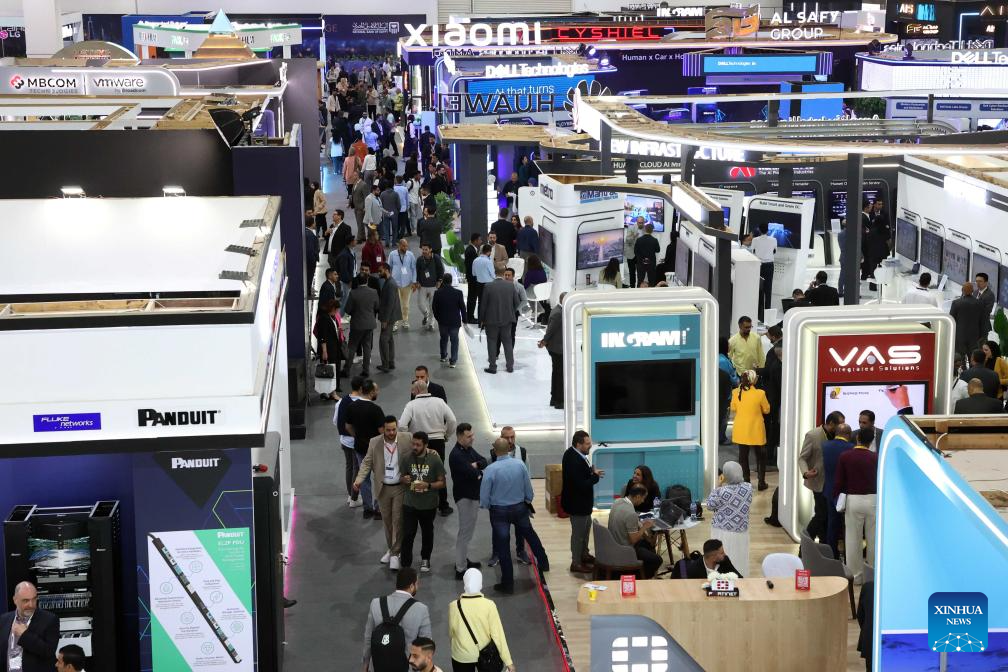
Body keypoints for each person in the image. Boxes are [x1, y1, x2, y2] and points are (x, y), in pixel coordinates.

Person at [479, 438, 550, 594]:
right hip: (519, 508)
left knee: (503, 546)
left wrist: (487, 505)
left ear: (494, 451)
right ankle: (544, 562)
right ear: (509, 449)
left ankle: (508, 583)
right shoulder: (519, 465)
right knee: (530, 535)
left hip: (499, 512)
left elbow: (484, 495)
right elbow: (528, 488)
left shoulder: (490, 469)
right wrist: (527, 500)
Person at [356, 415, 413, 569]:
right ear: (383, 430)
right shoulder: (374, 442)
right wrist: (359, 480)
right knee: (387, 522)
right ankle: (392, 549)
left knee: (397, 521)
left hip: (400, 487)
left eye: (394, 429)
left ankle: (395, 553)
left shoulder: (407, 438)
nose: (391, 433)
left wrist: (431, 452)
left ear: (397, 427)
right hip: (383, 488)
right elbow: (367, 462)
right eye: (388, 430)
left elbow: (419, 449)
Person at [400, 380, 457, 516]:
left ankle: (417, 500)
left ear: (417, 391)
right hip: (438, 441)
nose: (412, 392)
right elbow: (452, 420)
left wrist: (411, 438)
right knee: (439, 472)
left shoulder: (411, 405)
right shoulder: (439, 402)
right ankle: (443, 506)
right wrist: (446, 435)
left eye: (412, 390)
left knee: (417, 471)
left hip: (419, 442)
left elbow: (402, 425)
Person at [363, 568, 432, 672]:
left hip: (378, 666)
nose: (418, 587)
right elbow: (426, 646)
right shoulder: (421, 609)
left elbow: (368, 639)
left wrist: (366, 664)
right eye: (417, 584)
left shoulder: (376, 603)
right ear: (412, 586)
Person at [448, 569, 515, 672]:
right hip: (485, 654)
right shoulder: (489, 605)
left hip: (461, 655)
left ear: (465, 583)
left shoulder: (454, 606)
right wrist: (508, 661)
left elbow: (451, 633)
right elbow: (498, 635)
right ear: (480, 584)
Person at [835, 427, 879, 584]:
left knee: (853, 539)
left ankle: (855, 576)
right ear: (871, 441)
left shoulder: (845, 456)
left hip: (853, 500)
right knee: (873, 539)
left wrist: (836, 498)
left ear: (857, 438)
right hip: (874, 500)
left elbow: (839, 482)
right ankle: (872, 576)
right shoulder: (876, 458)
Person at [400, 432, 447, 572]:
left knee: (427, 532)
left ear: (426, 445)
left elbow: (442, 482)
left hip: (428, 504)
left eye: (418, 445)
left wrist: (428, 485)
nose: (414, 447)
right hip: (410, 503)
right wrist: (404, 479)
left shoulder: (434, 459)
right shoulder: (406, 458)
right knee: (408, 534)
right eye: (413, 444)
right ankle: (405, 564)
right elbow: (401, 477)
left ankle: (425, 558)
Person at [799, 410, 845, 543]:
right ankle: (805, 544)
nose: (842, 427)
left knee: (828, 516)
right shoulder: (813, 435)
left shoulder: (840, 436)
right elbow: (802, 458)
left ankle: (823, 545)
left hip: (834, 483)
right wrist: (805, 473)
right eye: (840, 424)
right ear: (831, 423)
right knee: (821, 514)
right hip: (819, 482)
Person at [449, 424, 488, 579]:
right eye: (469, 436)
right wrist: (478, 471)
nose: (472, 438)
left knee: (468, 531)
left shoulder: (468, 449)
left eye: (472, 435)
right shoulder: (456, 455)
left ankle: (463, 560)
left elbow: (484, 461)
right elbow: (476, 475)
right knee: (465, 533)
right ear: (459, 437)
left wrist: (476, 465)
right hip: (465, 497)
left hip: (472, 495)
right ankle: (460, 568)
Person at [562, 430, 603, 573]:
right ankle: (576, 563)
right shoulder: (574, 460)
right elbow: (581, 484)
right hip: (577, 505)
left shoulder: (574, 454)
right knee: (578, 535)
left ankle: (584, 555)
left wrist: (590, 472)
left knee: (585, 532)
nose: (590, 446)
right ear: (578, 444)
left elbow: (580, 476)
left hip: (582, 504)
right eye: (587, 444)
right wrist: (595, 476)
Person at [704, 462, 753, 577]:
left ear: (726, 475)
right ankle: (740, 576)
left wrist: (718, 485)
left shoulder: (721, 491)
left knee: (721, 558)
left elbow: (710, 505)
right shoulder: (748, 487)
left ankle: (720, 578)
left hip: (723, 531)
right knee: (740, 555)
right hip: (741, 530)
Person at [346, 379, 386, 519]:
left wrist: (357, 436)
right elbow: (382, 431)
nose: (378, 392)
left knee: (364, 478)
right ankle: (378, 509)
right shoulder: (376, 410)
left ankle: (367, 509)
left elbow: (348, 426)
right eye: (377, 390)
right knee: (379, 478)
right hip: (376, 450)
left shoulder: (351, 407)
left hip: (360, 448)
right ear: (371, 392)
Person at [0, 581, 59, 672]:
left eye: (34, 599)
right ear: (15, 600)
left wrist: (25, 635)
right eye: (25, 600)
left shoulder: (50, 619)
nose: (31, 605)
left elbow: (48, 652)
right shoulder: (4, 619)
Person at [608, 484, 662, 578]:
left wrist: (638, 523)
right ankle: (638, 577)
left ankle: (638, 569)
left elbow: (626, 520)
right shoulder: (631, 513)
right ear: (637, 497)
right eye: (643, 498)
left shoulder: (617, 501)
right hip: (625, 548)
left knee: (648, 544)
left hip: (614, 543)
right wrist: (644, 527)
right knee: (657, 560)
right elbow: (633, 540)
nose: (643, 501)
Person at [730, 370, 771, 489]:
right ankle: (761, 482)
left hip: (741, 429)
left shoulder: (735, 392)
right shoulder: (760, 393)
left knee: (743, 456)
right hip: (756, 429)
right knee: (760, 456)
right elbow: (767, 410)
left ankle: (746, 481)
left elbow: (733, 408)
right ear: (754, 380)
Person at [821, 423, 853, 559]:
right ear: (848, 434)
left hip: (829, 490)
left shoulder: (825, 446)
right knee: (848, 526)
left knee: (832, 524)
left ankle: (832, 554)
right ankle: (848, 556)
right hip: (846, 493)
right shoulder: (851, 448)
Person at [480, 268, 521, 374]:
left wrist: (482, 320)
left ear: (494, 274)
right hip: (507, 320)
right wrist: (510, 311)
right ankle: (510, 366)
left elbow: (483, 305)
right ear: (503, 274)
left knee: (492, 342)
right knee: (507, 342)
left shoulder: (488, 286)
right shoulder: (511, 286)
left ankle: (492, 367)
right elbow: (517, 303)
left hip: (491, 320)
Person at [343, 275, 380, 377]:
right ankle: (366, 370)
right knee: (367, 347)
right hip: (370, 324)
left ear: (358, 282)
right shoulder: (374, 292)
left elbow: (347, 310)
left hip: (357, 325)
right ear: (367, 281)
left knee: (352, 347)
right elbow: (377, 306)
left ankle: (347, 370)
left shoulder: (353, 293)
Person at [433, 274, 466, 367]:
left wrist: (438, 318)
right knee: (454, 341)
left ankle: (443, 356)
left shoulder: (438, 293)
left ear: (443, 281)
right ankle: (453, 361)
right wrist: (465, 320)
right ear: (451, 281)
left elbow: (434, 308)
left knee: (443, 339)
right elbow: (463, 308)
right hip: (454, 322)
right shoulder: (458, 293)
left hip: (442, 321)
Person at [315, 299, 345, 398]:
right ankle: (332, 392)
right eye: (337, 309)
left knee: (333, 369)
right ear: (333, 308)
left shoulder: (331, 317)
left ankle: (330, 391)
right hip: (329, 349)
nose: (337, 311)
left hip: (334, 348)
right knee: (331, 370)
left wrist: (337, 329)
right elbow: (322, 336)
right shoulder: (324, 319)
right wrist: (324, 351)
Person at [951, 281, 987, 359]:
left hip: (959, 336)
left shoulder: (956, 303)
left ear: (962, 290)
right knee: (974, 358)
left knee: (960, 359)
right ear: (972, 291)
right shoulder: (979, 303)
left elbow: (952, 320)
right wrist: (982, 336)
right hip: (975, 337)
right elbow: (983, 321)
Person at [676, 539, 744, 579]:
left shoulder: (725, 560)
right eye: (722, 553)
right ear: (713, 557)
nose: (724, 554)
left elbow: (740, 578)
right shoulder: (694, 570)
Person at [376, 263, 401, 374]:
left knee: (383, 340)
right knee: (389, 339)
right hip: (391, 316)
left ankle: (385, 364)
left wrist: (385, 320)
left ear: (386, 270)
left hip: (389, 317)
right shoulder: (389, 282)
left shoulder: (390, 284)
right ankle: (390, 362)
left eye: (380, 271)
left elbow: (390, 303)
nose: (379, 273)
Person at [416, 244, 445, 332]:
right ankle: (426, 314)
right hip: (422, 286)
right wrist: (417, 281)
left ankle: (431, 323)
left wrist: (439, 281)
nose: (424, 251)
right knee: (420, 304)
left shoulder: (436, 258)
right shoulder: (420, 259)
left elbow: (441, 270)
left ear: (430, 249)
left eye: (426, 249)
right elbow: (417, 271)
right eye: (423, 249)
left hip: (433, 286)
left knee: (432, 306)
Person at [390, 239, 417, 331]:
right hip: (395, 284)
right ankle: (395, 322)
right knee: (396, 304)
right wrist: (389, 281)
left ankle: (405, 320)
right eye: (404, 246)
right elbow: (389, 267)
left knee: (405, 305)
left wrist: (414, 282)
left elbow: (414, 269)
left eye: (406, 246)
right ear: (399, 245)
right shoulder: (392, 254)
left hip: (407, 284)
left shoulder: (410, 255)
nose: (406, 248)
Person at [751, 226, 777, 311]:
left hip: (758, 265)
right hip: (769, 265)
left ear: (759, 230)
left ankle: (757, 309)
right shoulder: (774, 240)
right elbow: (774, 251)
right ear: (767, 230)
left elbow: (752, 251)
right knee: (768, 288)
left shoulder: (755, 240)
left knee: (758, 287)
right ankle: (767, 310)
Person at [634, 223, 661, 288]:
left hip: (640, 263)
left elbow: (635, 251)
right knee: (652, 281)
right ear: (652, 230)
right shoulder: (654, 240)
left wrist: (641, 257)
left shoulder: (639, 240)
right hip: (651, 263)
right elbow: (658, 250)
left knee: (640, 281)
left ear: (645, 229)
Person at [464, 234, 483, 323]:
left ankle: (470, 316)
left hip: (472, 278)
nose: (481, 241)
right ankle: (470, 317)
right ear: (475, 241)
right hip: (473, 278)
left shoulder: (471, 249)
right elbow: (472, 266)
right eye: (480, 240)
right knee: (472, 298)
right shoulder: (471, 251)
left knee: (472, 297)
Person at [624, 216, 643, 288]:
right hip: (631, 254)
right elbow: (628, 240)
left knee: (640, 272)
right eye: (639, 223)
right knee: (632, 272)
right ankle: (632, 287)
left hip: (640, 255)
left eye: (642, 223)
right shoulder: (631, 228)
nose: (640, 224)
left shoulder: (645, 229)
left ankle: (639, 287)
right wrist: (634, 236)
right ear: (637, 222)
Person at [975, 272, 996, 336]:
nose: (978, 283)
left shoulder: (990, 295)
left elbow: (987, 311)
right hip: (973, 325)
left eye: (980, 281)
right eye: (976, 281)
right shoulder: (975, 292)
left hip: (982, 326)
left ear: (986, 282)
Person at [304, 215, 320, 297]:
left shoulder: (307, 232)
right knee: (309, 276)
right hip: (310, 261)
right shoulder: (309, 234)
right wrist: (313, 260)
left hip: (309, 260)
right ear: (313, 223)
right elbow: (310, 249)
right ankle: (308, 293)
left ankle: (308, 291)